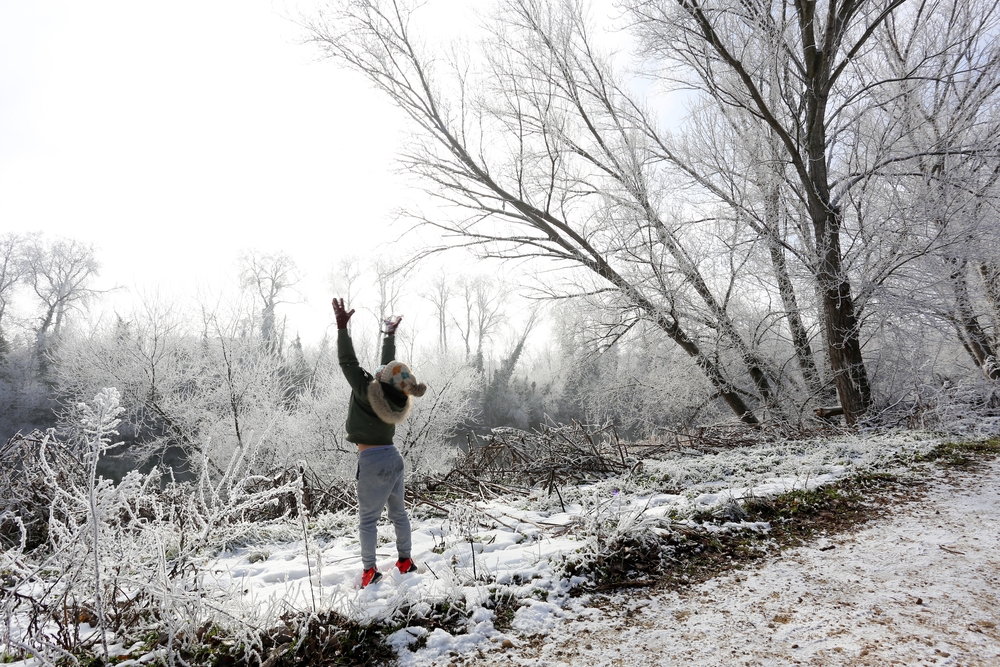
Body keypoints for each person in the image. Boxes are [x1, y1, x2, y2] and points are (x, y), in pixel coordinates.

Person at [332, 297, 427, 587]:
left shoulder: (366, 390)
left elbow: (348, 361)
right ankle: (405, 560)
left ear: (381, 381)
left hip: (372, 462)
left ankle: (370, 571)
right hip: (393, 458)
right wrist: (389, 335)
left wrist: (342, 328)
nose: (378, 372)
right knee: (399, 514)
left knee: (368, 520)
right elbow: (390, 369)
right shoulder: (399, 397)